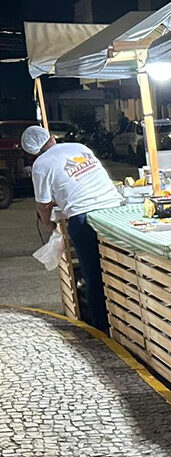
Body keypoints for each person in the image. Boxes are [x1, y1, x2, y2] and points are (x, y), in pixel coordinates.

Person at [22, 125, 121, 332]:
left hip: (83, 217)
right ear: (51, 137)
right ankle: (124, 322)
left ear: (32, 151)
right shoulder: (78, 146)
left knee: (93, 273)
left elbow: (43, 204)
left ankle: (101, 327)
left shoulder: (41, 164)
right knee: (118, 269)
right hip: (115, 210)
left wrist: (49, 223)